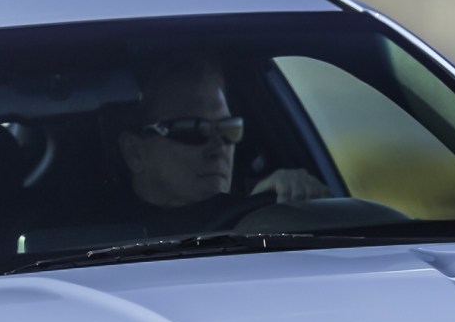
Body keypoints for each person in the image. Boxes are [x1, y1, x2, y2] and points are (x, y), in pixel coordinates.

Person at [114, 56, 330, 233]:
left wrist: (296, 197)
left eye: (229, 128)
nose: (218, 148)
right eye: (192, 130)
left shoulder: (267, 201)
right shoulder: (102, 238)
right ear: (135, 153)